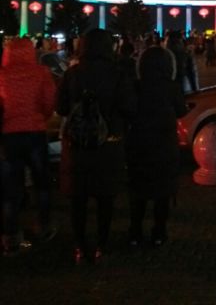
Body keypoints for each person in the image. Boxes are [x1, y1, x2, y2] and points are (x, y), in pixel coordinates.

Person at [57, 29, 136, 264]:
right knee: (105, 198)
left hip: (78, 144)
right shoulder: (117, 74)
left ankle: (80, 246)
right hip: (108, 144)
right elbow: (129, 107)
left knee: (78, 200)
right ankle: (102, 244)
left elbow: (60, 107)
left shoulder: (72, 74)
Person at [0, 38, 57, 256]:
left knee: (11, 188)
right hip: (35, 132)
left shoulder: (2, 75)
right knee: (41, 183)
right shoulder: (41, 73)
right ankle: (43, 226)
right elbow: (49, 101)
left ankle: (11, 236)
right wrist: (41, 117)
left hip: (10, 135)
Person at [126, 46, 187, 247]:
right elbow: (181, 111)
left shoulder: (136, 86)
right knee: (163, 191)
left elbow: (128, 110)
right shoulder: (171, 87)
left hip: (139, 142)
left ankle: (135, 232)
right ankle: (159, 232)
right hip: (164, 143)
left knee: (138, 190)